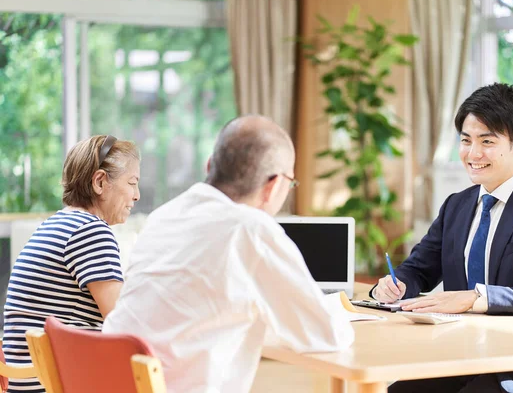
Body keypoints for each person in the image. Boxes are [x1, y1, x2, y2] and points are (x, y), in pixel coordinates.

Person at [103, 115, 355, 393]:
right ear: (273, 186)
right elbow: (325, 335)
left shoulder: (163, 216)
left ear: (209, 165)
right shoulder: (251, 228)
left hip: (112, 381)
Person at [372, 83, 513, 393]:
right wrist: (396, 284)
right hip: (460, 357)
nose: (473, 154)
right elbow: (419, 269)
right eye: (466, 140)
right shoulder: (457, 205)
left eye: (487, 141)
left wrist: (478, 297)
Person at [2, 135, 140, 393]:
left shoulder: (55, 225)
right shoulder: (91, 232)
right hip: (55, 384)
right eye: (132, 183)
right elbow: (123, 322)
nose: (137, 195)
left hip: (27, 383)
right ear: (100, 182)